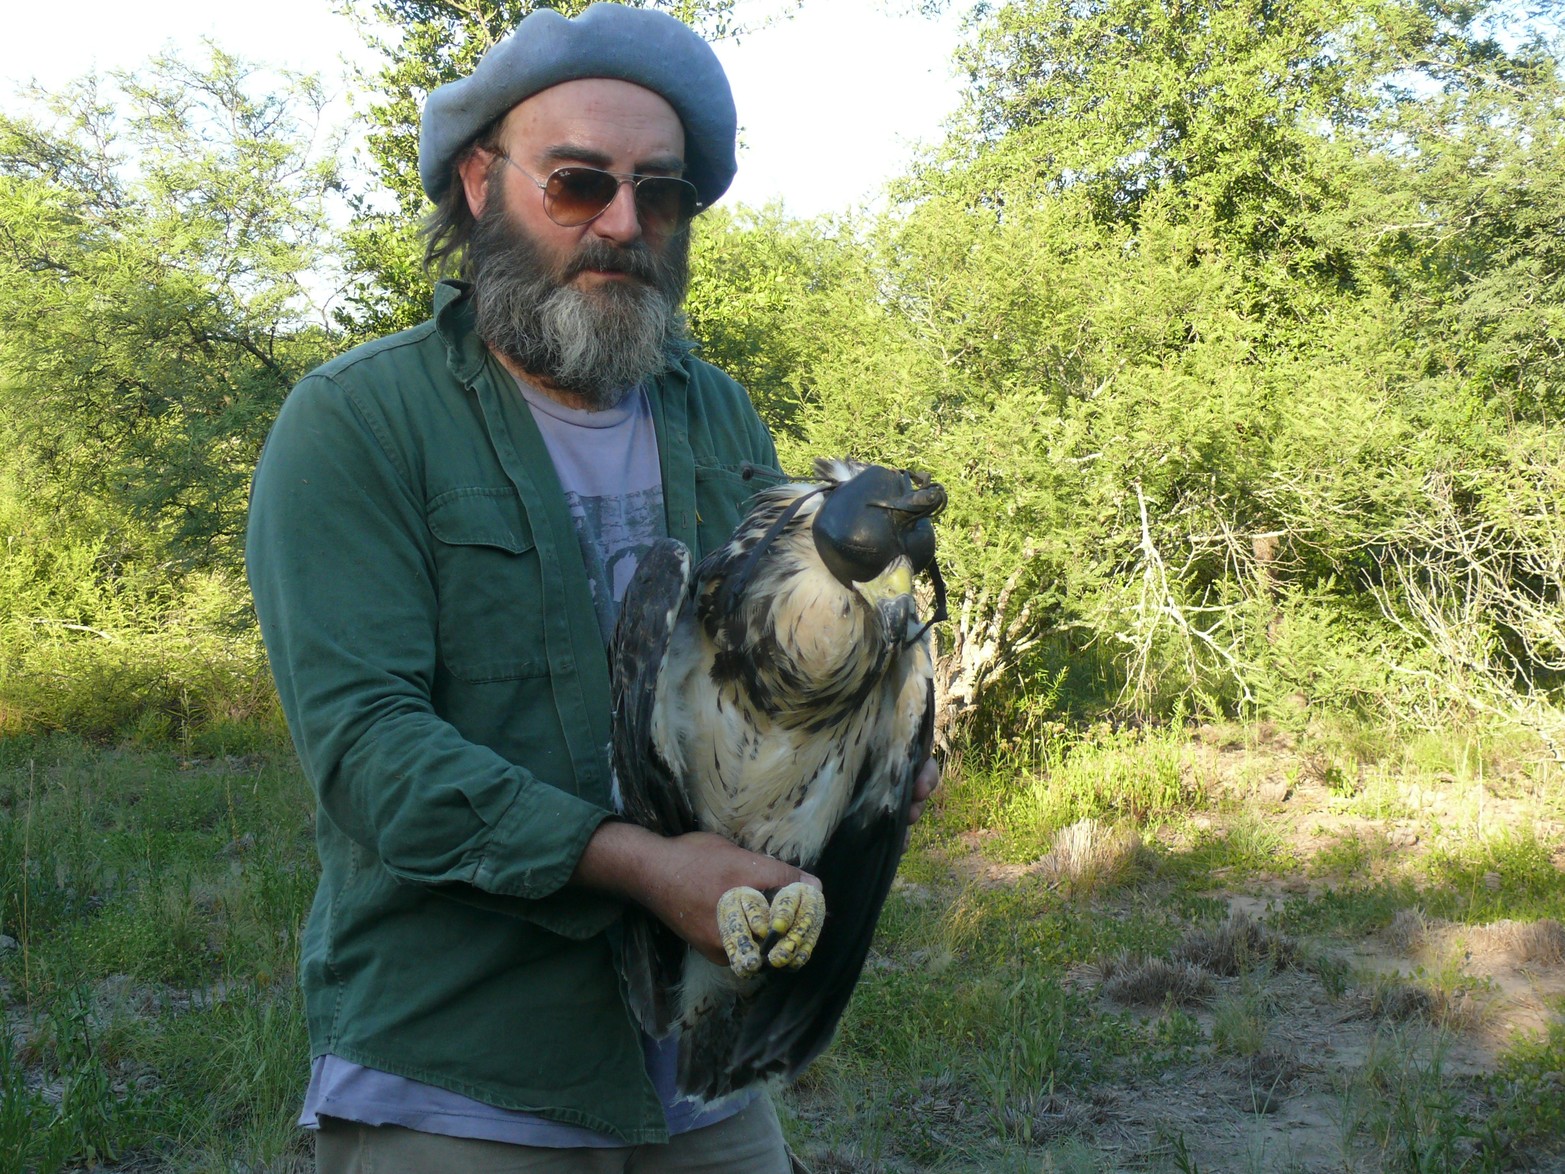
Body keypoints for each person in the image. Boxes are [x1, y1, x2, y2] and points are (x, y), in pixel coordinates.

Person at [245, 5, 938, 1171]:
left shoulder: (715, 412)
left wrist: (869, 749)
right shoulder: (357, 424)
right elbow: (369, 752)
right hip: (460, 1072)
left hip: (698, 1067)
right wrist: (642, 867)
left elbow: (758, 690)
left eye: (658, 194)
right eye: (577, 183)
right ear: (479, 182)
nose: (622, 223)